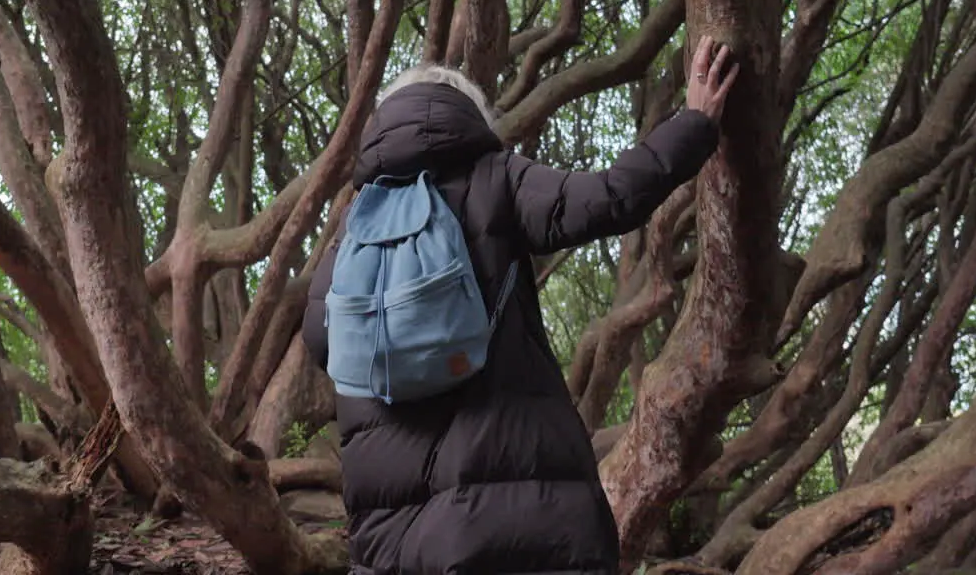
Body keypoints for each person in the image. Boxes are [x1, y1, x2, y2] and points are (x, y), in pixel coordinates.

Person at [302, 36, 738, 574]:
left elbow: (321, 339)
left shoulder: (356, 222)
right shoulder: (497, 176)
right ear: (468, 115)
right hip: (516, 506)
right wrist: (694, 123)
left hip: (389, 531)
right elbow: (607, 199)